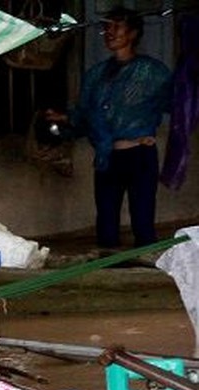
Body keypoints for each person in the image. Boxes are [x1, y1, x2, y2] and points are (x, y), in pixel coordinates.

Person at [47, 6, 172, 248]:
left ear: (133, 33)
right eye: (106, 27)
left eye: (117, 26)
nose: (109, 32)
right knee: (106, 221)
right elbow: (86, 116)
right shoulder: (96, 75)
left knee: (143, 219)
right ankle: (109, 274)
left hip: (140, 155)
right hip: (107, 156)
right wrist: (64, 120)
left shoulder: (152, 72)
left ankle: (146, 275)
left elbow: (179, 103)